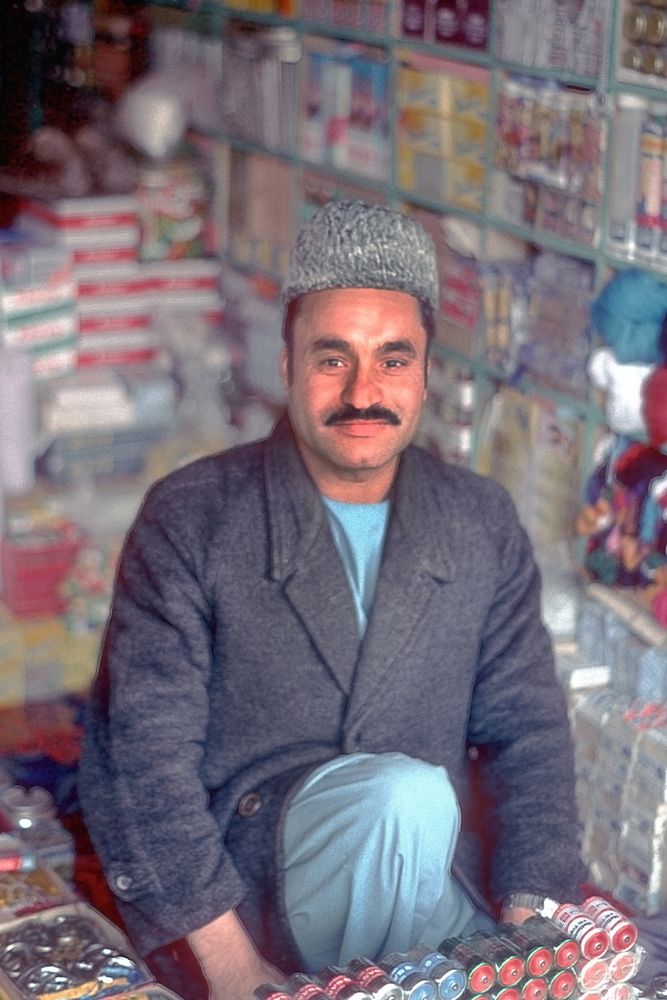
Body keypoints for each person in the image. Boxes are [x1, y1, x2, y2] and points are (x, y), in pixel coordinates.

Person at [78, 200, 586, 1000]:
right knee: (402, 795)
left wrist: (528, 922)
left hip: (431, 878)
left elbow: (527, 735)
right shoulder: (194, 515)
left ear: (425, 375)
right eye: (330, 358)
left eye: (392, 359)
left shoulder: (478, 520)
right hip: (251, 898)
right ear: (284, 365)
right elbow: (140, 764)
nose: (362, 392)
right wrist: (235, 969)